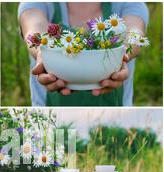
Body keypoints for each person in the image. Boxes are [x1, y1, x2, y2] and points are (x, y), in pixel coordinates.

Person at [18, 2, 149, 106]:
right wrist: (42, 51)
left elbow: (134, 33)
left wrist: (122, 53)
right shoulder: (39, 4)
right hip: (49, 114)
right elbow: (34, 26)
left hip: (116, 114)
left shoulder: (130, 4)